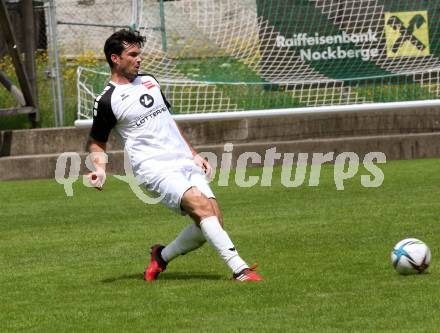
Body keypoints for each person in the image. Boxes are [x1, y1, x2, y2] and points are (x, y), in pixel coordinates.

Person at [87, 29, 262, 282]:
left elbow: (167, 120)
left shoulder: (149, 81)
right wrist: (100, 169)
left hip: (182, 161)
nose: (139, 59)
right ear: (115, 58)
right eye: (133, 54)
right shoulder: (107, 100)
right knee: (202, 208)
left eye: (139, 54)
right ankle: (240, 269)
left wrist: (193, 154)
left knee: (213, 222)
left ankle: (161, 256)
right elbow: (97, 142)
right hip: (154, 169)